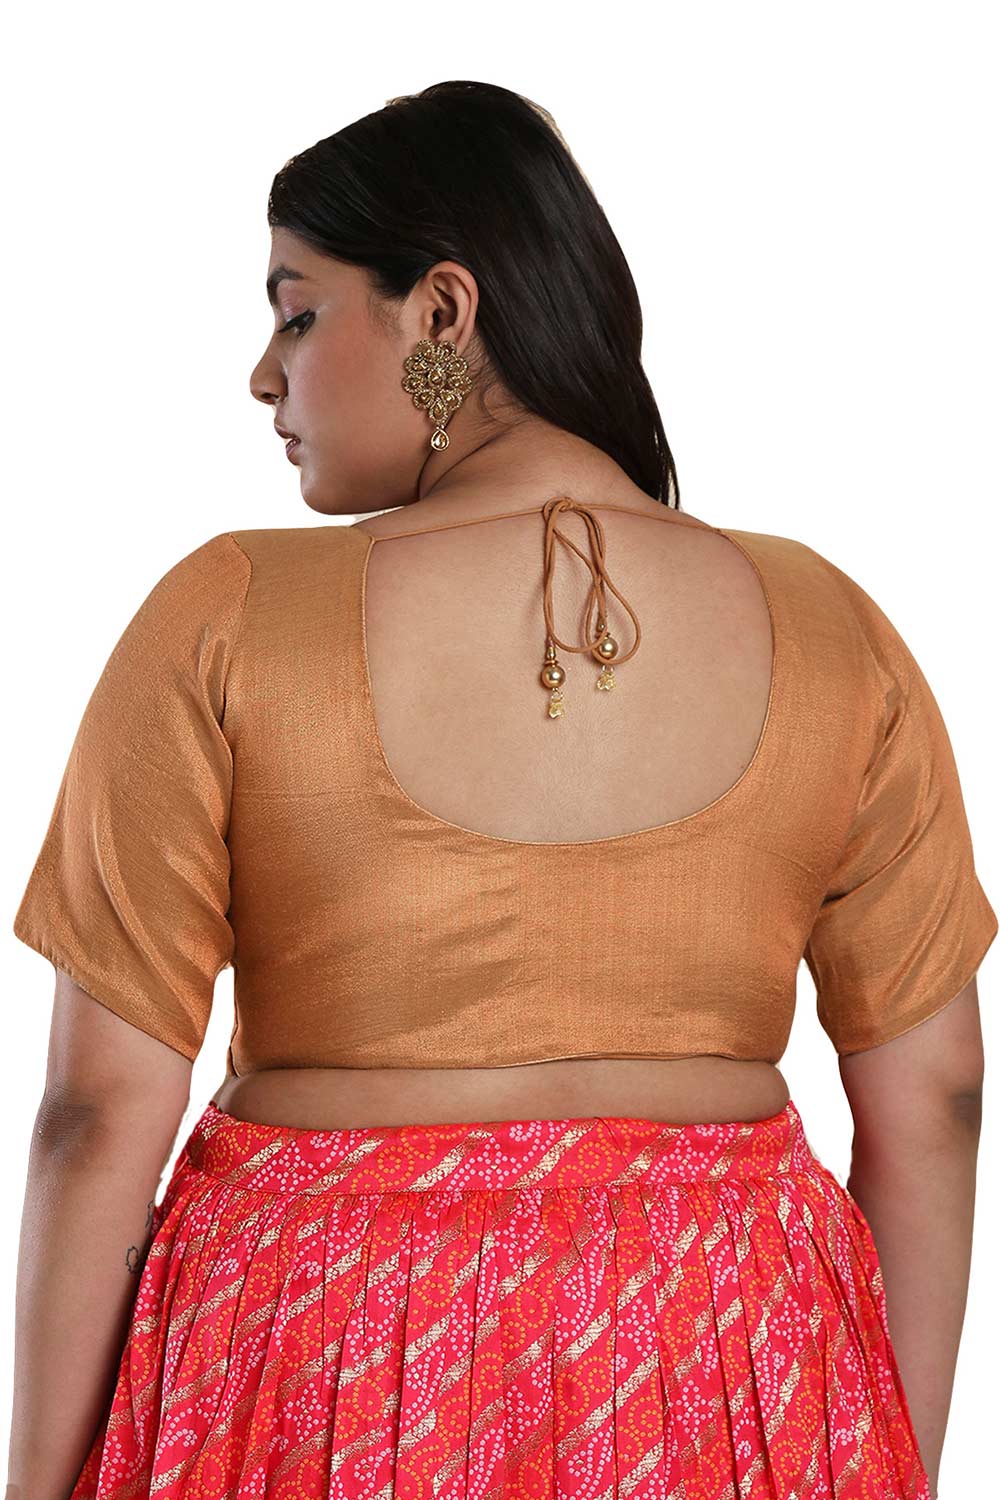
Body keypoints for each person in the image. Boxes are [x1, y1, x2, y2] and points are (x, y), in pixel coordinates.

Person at [6, 79, 995, 1500]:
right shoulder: (833, 628)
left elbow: (100, 1113)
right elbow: (937, 1100)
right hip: (723, 1368)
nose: (263, 375)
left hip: (321, 1366)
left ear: (442, 315)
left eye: (297, 312)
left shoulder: (229, 615)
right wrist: (872, 1452)